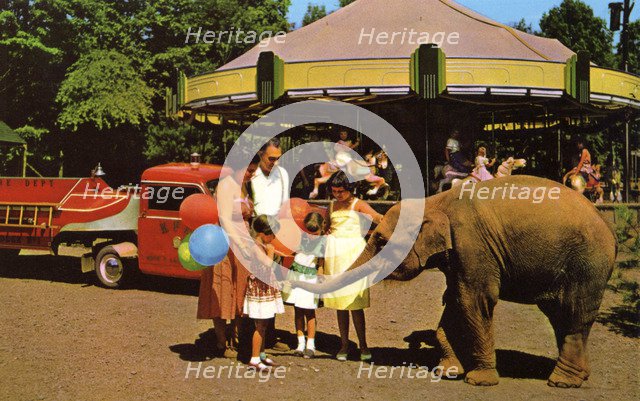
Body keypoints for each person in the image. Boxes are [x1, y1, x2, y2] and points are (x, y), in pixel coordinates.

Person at [197, 154, 258, 358]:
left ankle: (237, 339)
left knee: (240, 291)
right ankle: (222, 342)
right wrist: (241, 243)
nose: (253, 173)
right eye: (249, 170)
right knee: (223, 292)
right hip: (225, 244)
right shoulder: (225, 186)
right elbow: (224, 218)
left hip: (243, 245)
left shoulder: (244, 186)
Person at [323, 170, 383, 362]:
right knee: (341, 304)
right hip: (335, 255)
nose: (337, 195)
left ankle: (363, 345)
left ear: (349, 189)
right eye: (334, 191)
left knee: (355, 304)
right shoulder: (332, 205)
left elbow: (377, 218)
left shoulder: (358, 204)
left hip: (353, 254)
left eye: (341, 191)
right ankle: (344, 345)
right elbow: (326, 226)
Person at [250, 138, 290, 351]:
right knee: (252, 285)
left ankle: (270, 336)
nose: (274, 162)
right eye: (271, 158)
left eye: (278, 158)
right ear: (260, 154)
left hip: (274, 232)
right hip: (254, 233)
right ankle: (250, 339)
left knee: (273, 284)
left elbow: (284, 206)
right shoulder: (250, 176)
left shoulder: (283, 174)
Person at [244, 215, 285, 371]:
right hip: (259, 290)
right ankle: (254, 359)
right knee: (259, 326)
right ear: (264, 233)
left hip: (265, 288)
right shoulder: (255, 247)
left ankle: (261, 354)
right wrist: (271, 253)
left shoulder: (261, 245)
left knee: (265, 324)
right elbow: (267, 265)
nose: (274, 238)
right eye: (273, 234)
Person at [283, 212, 326, 358]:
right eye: (309, 233)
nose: (312, 236)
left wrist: (321, 276)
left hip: (310, 279)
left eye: (315, 233)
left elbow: (321, 263)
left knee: (309, 311)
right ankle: (300, 343)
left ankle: (311, 344)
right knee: (298, 311)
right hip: (296, 275)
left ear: (322, 228)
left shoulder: (323, 242)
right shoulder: (300, 238)